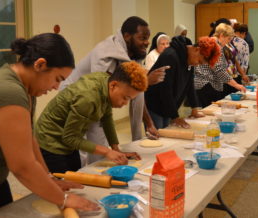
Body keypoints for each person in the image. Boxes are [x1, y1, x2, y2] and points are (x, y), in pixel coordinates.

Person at [0, 33, 99, 217]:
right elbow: (22, 166)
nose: (56, 87)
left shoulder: (27, 89)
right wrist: (63, 199)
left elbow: (28, 137)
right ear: (40, 65)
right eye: (58, 79)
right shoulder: (8, 92)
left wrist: (48, 178)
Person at [60, 16, 166, 164]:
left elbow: (136, 94)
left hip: (94, 98)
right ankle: (88, 176)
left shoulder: (133, 54)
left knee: (101, 140)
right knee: (86, 146)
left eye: (147, 38)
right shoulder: (105, 53)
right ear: (127, 36)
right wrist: (146, 80)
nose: (147, 42)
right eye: (142, 38)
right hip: (76, 95)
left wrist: (148, 123)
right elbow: (98, 92)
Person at [35, 62, 147, 173]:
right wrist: (106, 152)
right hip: (50, 140)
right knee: (64, 182)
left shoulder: (106, 83)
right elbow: (70, 138)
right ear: (113, 85)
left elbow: (107, 117)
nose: (125, 103)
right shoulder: (88, 98)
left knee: (76, 175)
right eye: (125, 97)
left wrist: (116, 149)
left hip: (67, 139)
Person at [145, 36, 220, 129]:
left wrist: (194, 108)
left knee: (167, 133)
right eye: (199, 61)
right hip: (154, 105)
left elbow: (189, 84)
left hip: (168, 106)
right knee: (158, 136)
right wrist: (175, 117)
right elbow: (165, 89)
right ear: (197, 49)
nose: (197, 64)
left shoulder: (189, 58)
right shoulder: (170, 56)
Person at [195, 23, 246, 108]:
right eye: (228, 39)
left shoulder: (211, 42)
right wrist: (235, 84)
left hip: (203, 84)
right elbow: (219, 69)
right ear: (221, 35)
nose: (229, 42)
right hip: (208, 84)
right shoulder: (215, 45)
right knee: (211, 111)